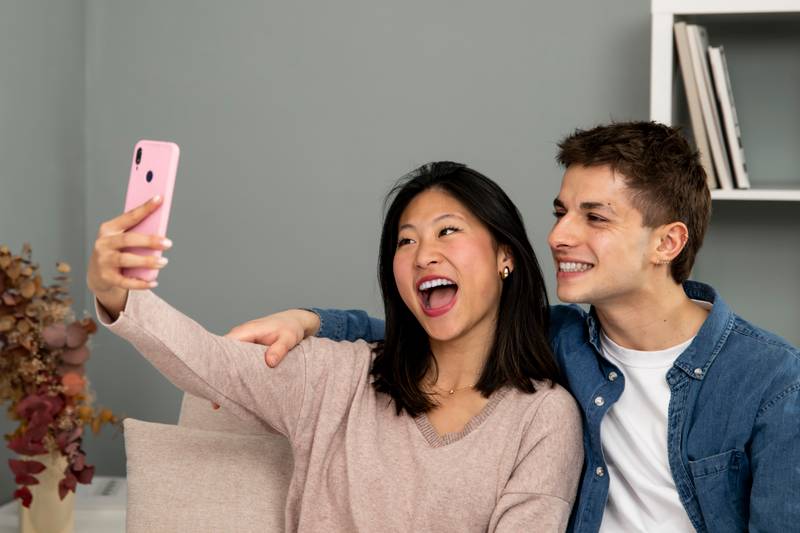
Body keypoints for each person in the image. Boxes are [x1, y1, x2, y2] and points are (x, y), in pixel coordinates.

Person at [229, 122, 800, 532]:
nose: (558, 237)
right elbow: (420, 330)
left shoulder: (772, 382)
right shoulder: (558, 339)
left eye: (593, 217)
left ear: (667, 243)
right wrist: (310, 320)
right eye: (560, 212)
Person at [88, 162, 583, 532]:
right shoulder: (338, 377)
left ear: (505, 257)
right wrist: (120, 293)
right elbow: (210, 362)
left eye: (448, 231)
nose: (423, 254)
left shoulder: (544, 418)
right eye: (405, 242)